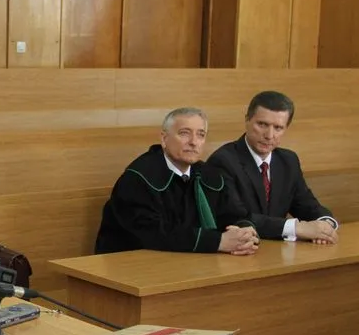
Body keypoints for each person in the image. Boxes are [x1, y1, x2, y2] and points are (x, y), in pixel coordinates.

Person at [95, 107, 259, 255]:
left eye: (201, 134)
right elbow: (154, 233)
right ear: (164, 138)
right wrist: (217, 242)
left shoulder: (209, 174)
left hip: (191, 262)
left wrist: (244, 233)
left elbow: (233, 214)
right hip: (133, 264)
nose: (193, 142)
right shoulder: (138, 178)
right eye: (184, 133)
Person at [206, 90, 338, 244]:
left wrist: (325, 225)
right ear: (247, 120)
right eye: (262, 124)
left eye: (278, 128)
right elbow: (237, 218)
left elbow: (307, 205)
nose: (269, 135)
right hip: (240, 250)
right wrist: (296, 228)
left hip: (277, 250)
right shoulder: (222, 161)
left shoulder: (288, 161)